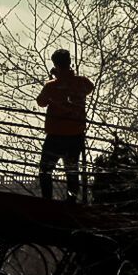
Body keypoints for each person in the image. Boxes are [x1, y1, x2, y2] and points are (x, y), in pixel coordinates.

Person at [36, 48, 96, 202]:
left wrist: (55, 77)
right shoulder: (82, 82)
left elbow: (41, 101)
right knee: (72, 169)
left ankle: (47, 200)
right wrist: (70, 76)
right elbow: (91, 87)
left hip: (55, 134)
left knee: (45, 170)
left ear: (55, 64)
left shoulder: (51, 86)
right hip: (75, 133)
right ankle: (72, 200)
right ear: (69, 62)